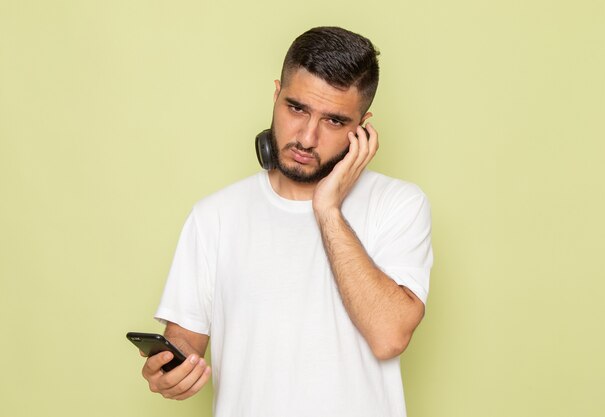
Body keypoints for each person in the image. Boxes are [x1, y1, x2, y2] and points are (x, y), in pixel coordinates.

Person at [140, 26, 433, 417]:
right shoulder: (215, 216)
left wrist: (327, 209)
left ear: (362, 126)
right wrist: (172, 372)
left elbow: (389, 336)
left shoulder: (399, 205)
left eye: (333, 121)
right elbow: (184, 340)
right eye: (296, 108)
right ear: (276, 94)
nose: (307, 138)